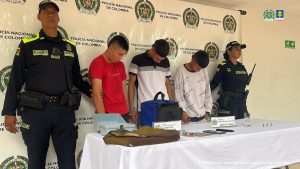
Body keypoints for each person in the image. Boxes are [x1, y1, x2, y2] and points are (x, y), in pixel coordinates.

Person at [2, 1, 91, 169]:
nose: (51, 15)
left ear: (58, 17)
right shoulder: (28, 44)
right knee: (36, 163)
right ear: (39, 16)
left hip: (64, 112)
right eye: (46, 12)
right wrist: (9, 111)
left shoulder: (69, 47)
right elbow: (16, 78)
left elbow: (76, 79)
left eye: (54, 12)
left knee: (68, 163)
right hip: (36, 112)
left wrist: (94, 92)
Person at [128, 39, 173, 122]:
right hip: (145, 107)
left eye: (161, 60)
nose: (159, 61)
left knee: (165, 134)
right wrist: (131, 109)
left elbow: (167, 83)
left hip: (164, 107)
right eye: (157, 58)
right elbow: (131, 84)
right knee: (145, 134)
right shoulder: (137, 60)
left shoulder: (166, 62)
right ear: (153, 49)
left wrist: (171, 104)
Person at [89, 35, 130, 121]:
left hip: (124, 112)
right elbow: (97, 94)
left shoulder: (121, 65)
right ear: (111, 48)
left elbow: (123, 89)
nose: (121, 58)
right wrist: (103, 119)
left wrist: (127, 110)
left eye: (123, 55)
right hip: (108, 113)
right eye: (120, 54)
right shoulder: (97, 63)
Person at [210, 41, 250, 119]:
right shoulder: (223, 66)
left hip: (242, 102)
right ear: (229, 52)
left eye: (240, 49)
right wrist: (203, 96)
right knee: (229, 127)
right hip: (228, 102)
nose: (239, 51)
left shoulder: (241, 67)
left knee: (244, 125)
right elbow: (214, 83)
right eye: (236, 49)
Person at [174, 50, 212, 123]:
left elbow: (207, 91)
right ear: (193, 59)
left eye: (201, 69)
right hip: (187, 118)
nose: (199, 71)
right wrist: (182, 112)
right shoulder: (181, 71)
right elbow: (178, 94)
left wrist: (207, 110)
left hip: (202, 117)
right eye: (197, 67)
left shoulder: (204, 71)